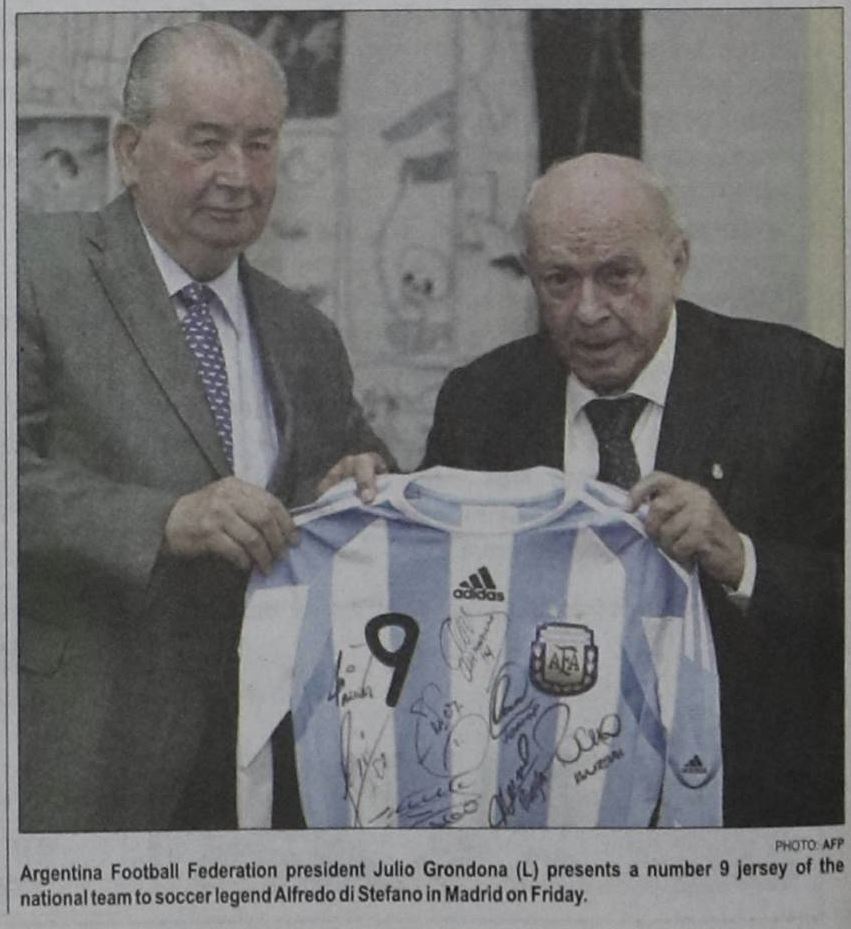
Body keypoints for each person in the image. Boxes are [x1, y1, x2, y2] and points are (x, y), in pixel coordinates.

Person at [17, 21, 390, 833]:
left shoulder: (304, 332)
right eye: (207, 142)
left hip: (270, 773)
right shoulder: (30, 270)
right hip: (84, 763)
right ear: (129, 150)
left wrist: (358, 479)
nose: (238, 175)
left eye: (260, 145)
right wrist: (165, 519)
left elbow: (362, 468)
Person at [417, 154, 843, 827]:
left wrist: (741, 558)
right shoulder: (479, 402)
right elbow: (428, 598)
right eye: (559, 280)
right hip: (540, 816)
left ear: (677, 260)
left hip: (744, 813)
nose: (587, 311)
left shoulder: (800, 385)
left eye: (617, 276)